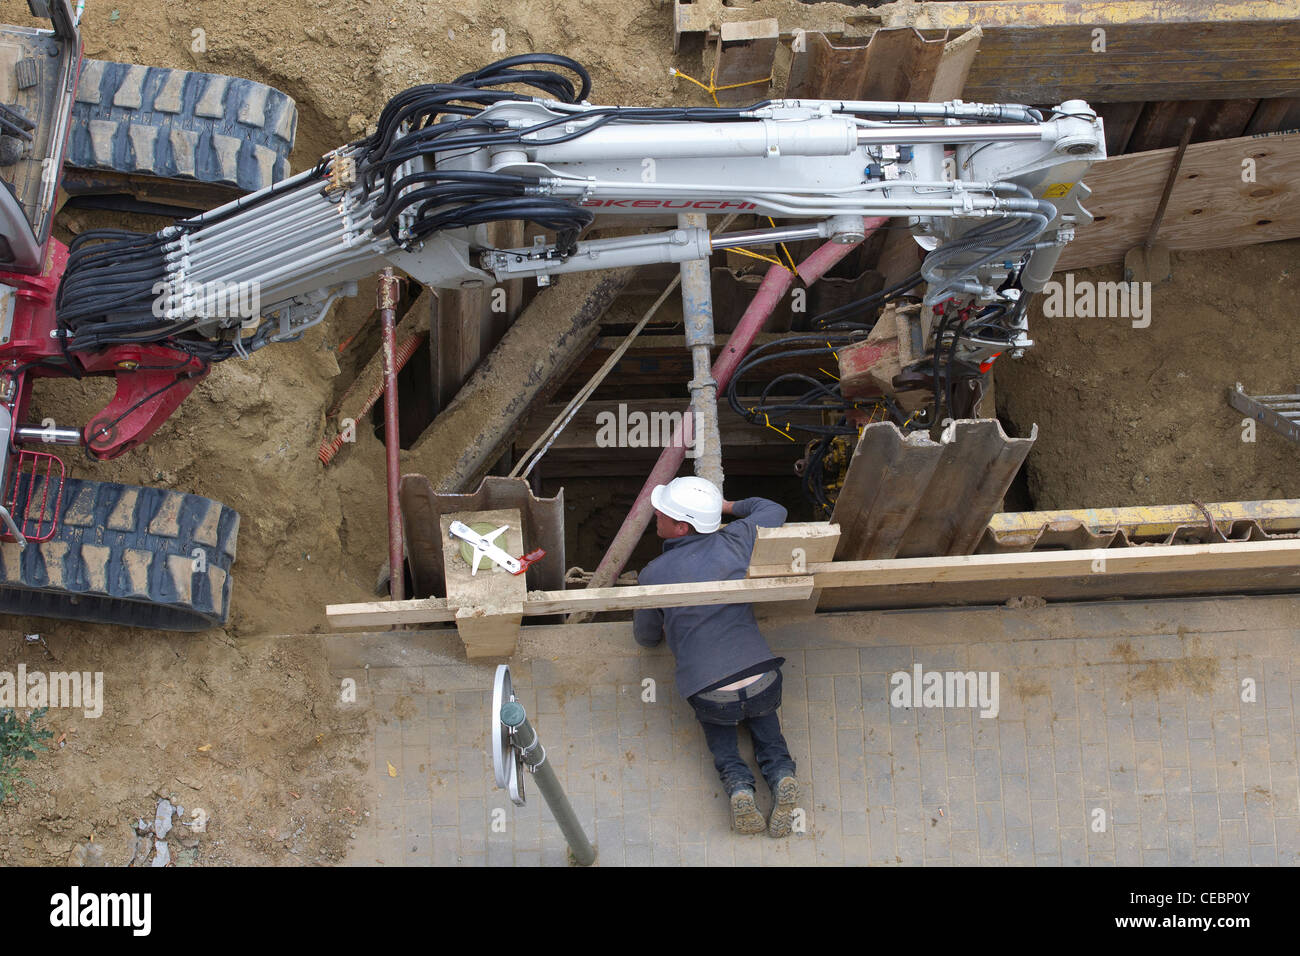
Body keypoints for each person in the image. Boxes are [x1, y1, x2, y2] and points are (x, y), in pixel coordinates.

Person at [633, 475, 799, 836]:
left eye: (661, 513)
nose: (655, 516)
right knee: (765, 725)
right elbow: (774, 510)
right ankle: (782, 774)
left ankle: (740, 787)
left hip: (710, 691)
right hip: (762, 678)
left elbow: (645, 638)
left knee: (722, 740)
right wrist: (722, 507)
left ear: (680, 527)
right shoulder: (737, 539)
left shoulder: (652, 574)